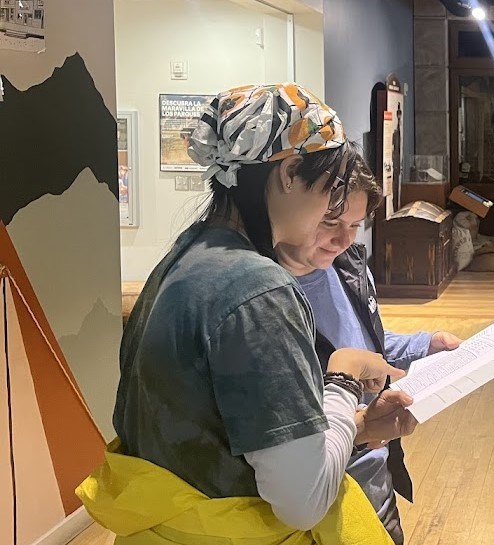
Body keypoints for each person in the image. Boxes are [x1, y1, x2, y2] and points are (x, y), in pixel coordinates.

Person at [79, 84, 414, 545]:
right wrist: (343, 379)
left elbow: (222, 432)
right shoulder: (260, 289)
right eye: (332, 189)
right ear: (291, 173)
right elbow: (302, 501)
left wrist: (354, 427)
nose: (331, 212)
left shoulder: (185, 257)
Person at [275, 182, 462, 545]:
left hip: (377, 475)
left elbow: (366, 342)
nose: (343, 238)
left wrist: (426, 344)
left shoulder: (346, 267)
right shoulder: (268, 295)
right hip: (325, 494)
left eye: (355, 225)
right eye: (331, 221)